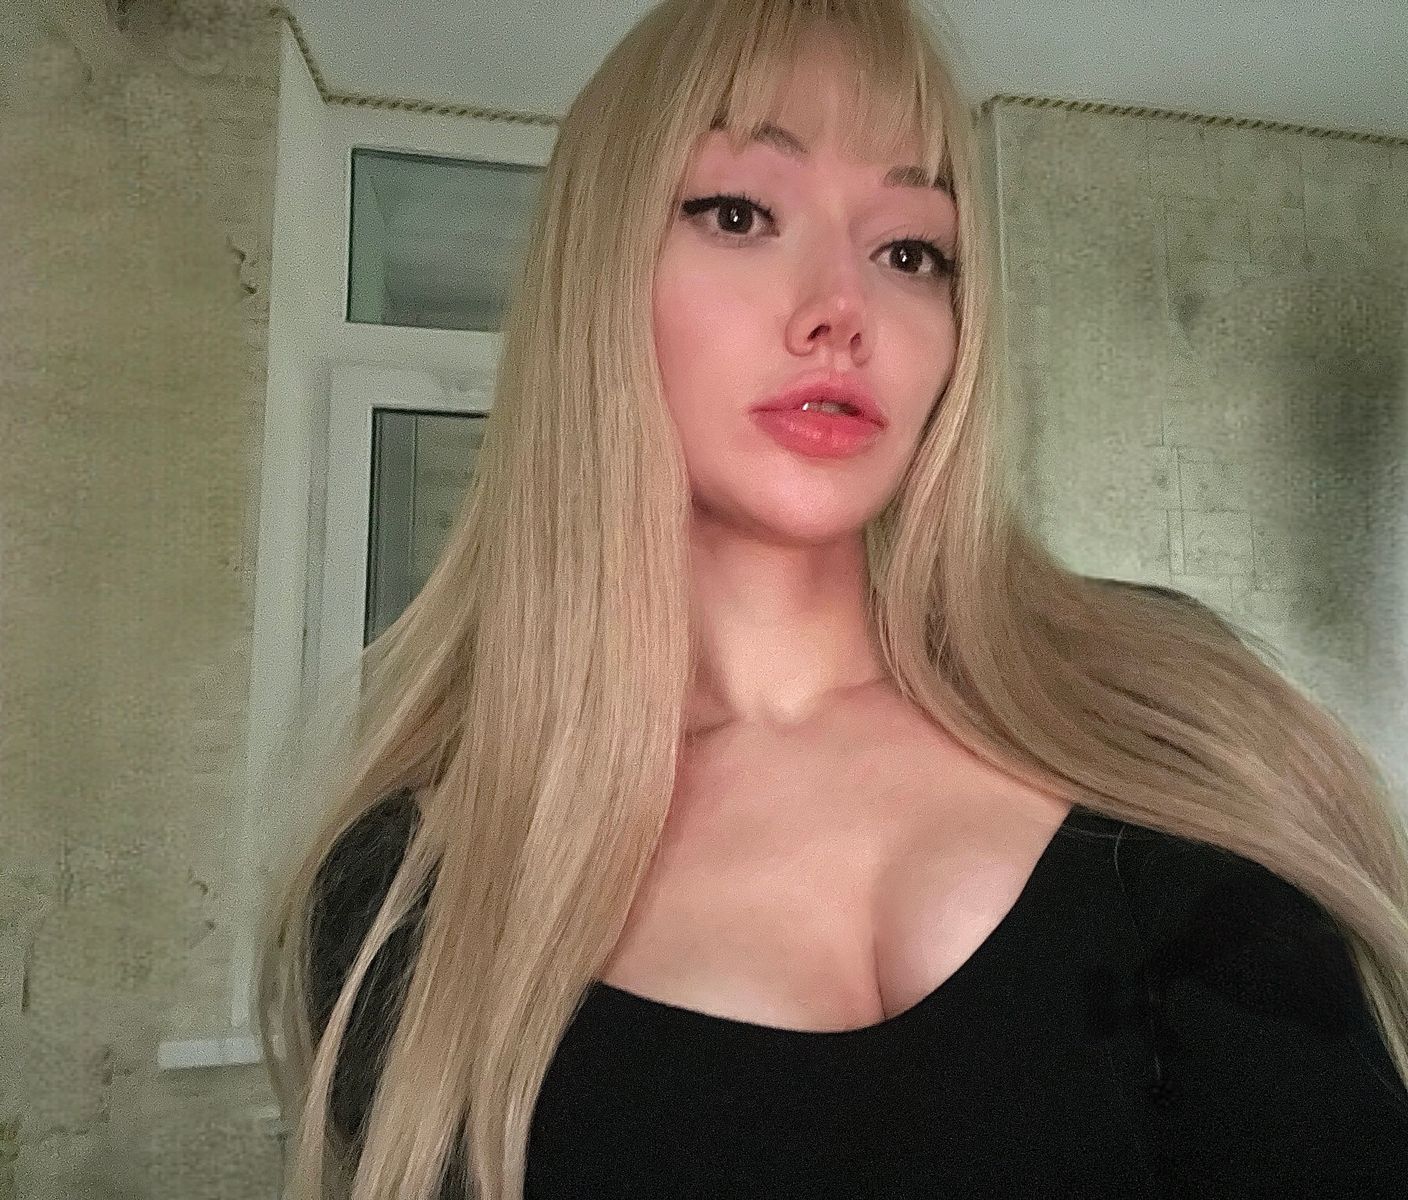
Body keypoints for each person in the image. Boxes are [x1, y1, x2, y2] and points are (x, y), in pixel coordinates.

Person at [255, 1, 1408, 1197]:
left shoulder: (1166, 715)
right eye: (738, 214)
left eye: (910, 252)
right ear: (595, 275)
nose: (839, 311)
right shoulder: (408, 891)